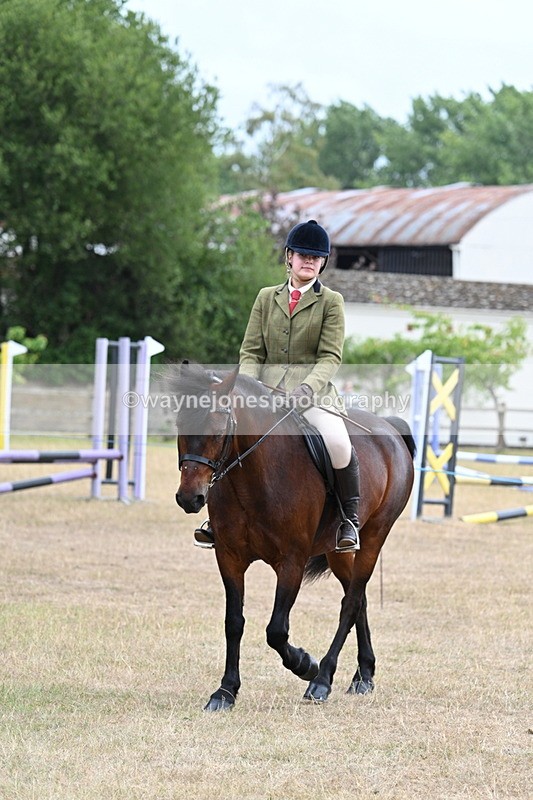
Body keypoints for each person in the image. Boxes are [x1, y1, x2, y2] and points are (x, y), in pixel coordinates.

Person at [194, 219, 360, 552]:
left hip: (311, 396)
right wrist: (250, 389)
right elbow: (251, 351)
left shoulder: (331, 302)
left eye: (316, 257)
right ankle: (219, 519)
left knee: (339, 444)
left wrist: (307, 389)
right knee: (229, 437)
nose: (308, 261)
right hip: (262, 392)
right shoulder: (266, 298)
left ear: (323, 262)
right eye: (302, 254)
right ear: (289, 256)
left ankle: (348, 520)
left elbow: (330, 357)